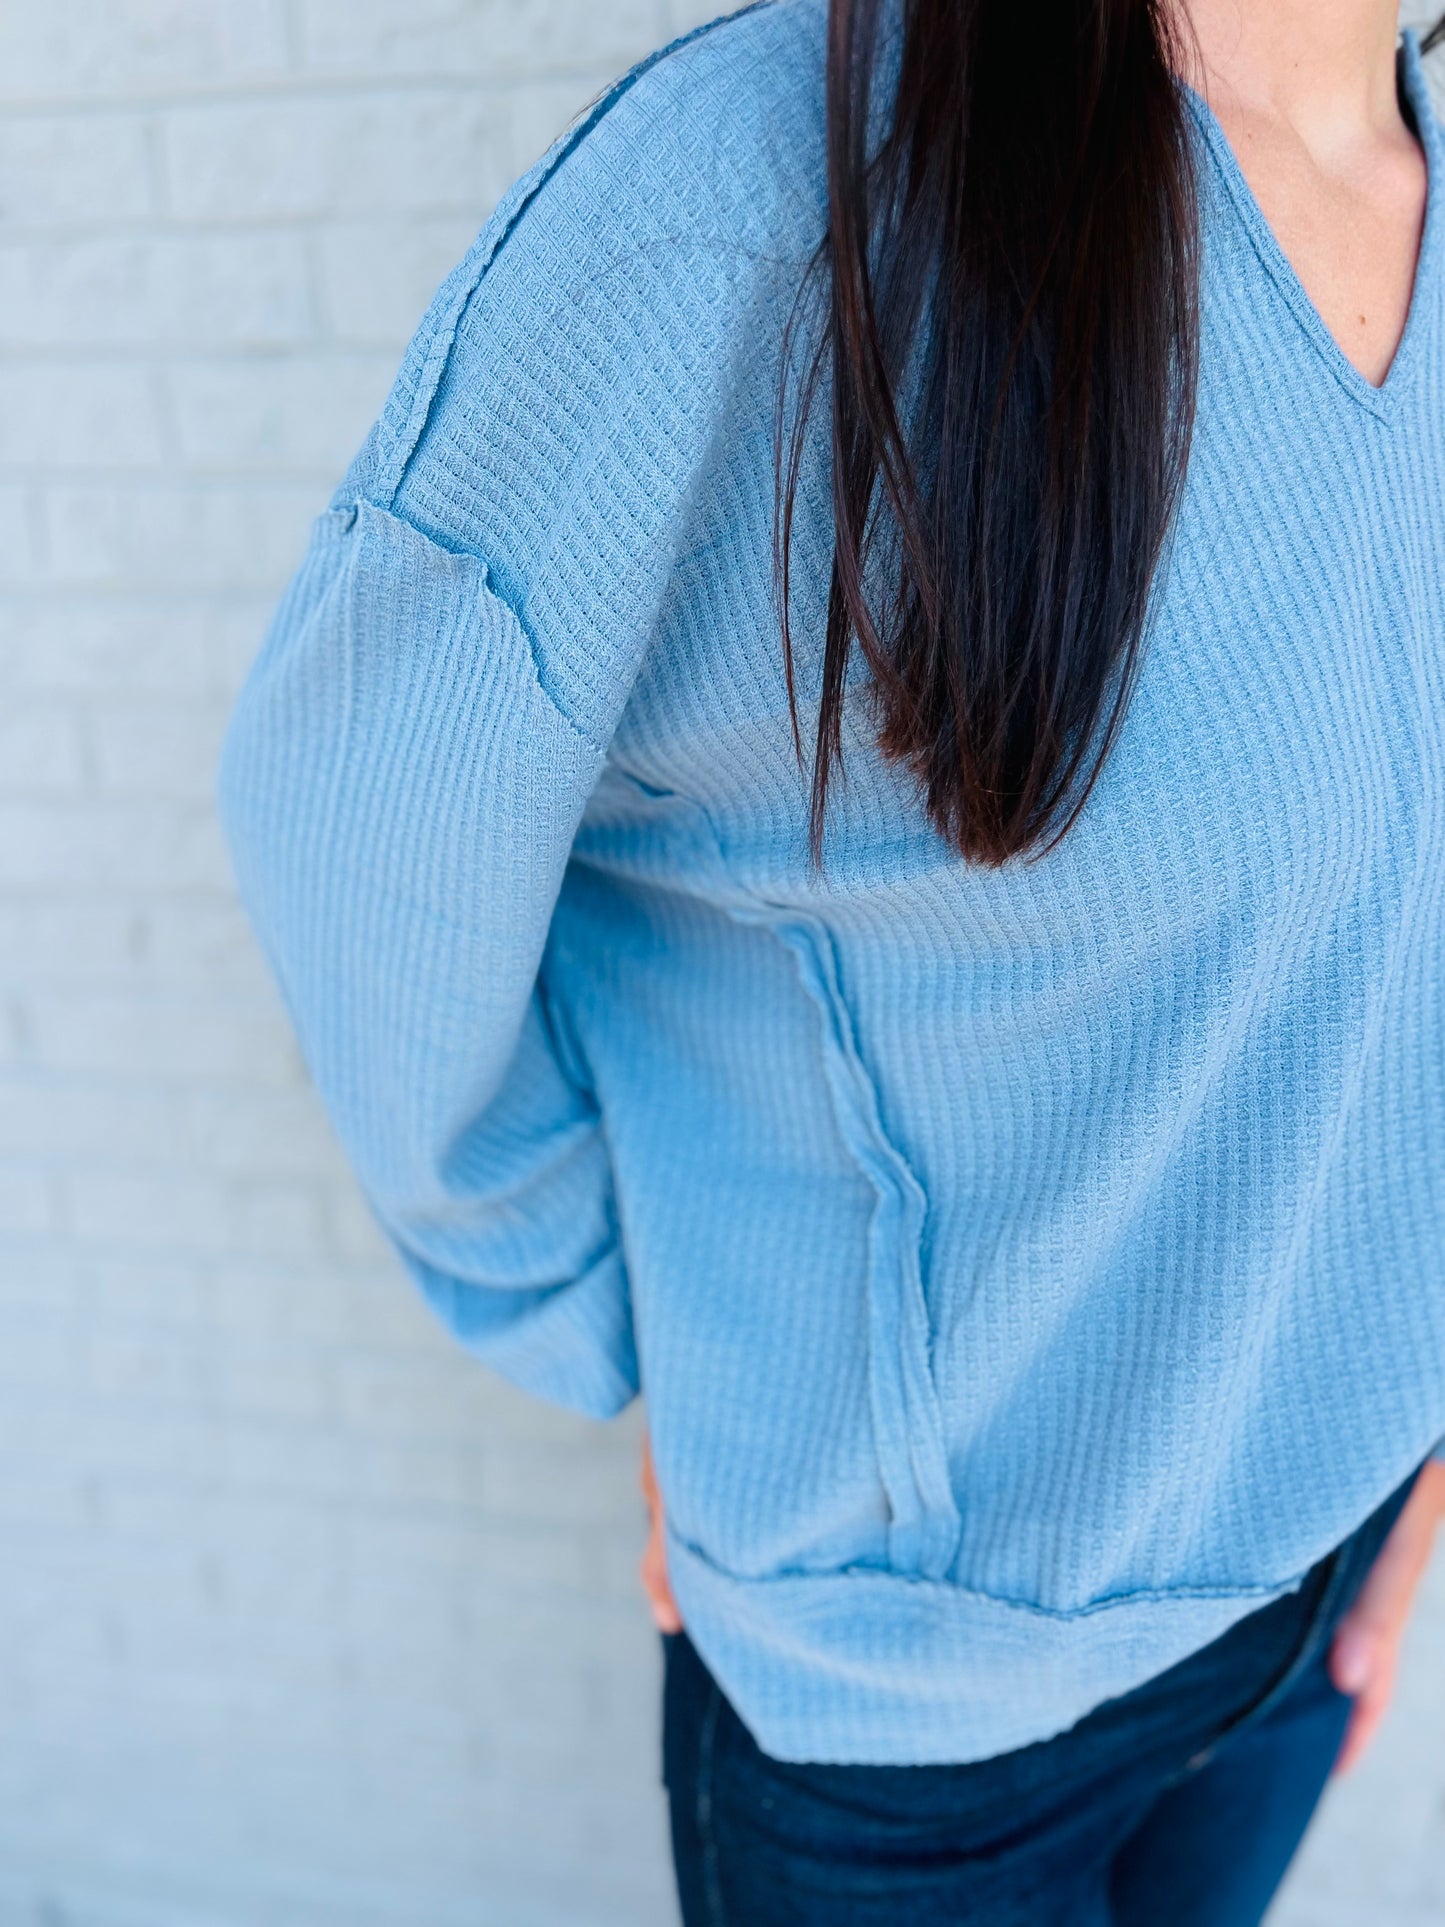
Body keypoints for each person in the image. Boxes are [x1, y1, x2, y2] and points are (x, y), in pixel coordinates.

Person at [216, 0, 1445, 1918]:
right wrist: (636, 1316)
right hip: (907, 1739)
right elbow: (363, 822)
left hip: (1315, 1601)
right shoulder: (756, 206)